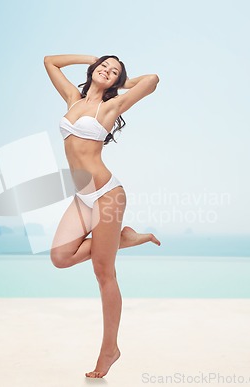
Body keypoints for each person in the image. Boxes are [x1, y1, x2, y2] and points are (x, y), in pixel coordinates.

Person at [44, 54, 161, 378]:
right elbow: (50, 62)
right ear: (92, 70)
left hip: (107, 194)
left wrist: (122, 82)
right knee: (60, 256)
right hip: (82, 196)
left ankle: (110, 349)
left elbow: (151, 80)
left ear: (116, 81)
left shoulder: (111, 107)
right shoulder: (73, 99)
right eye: (103, 67)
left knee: (104, 273)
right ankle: (122, 238)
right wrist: (94, 58)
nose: (107, 71)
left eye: (114, 71)